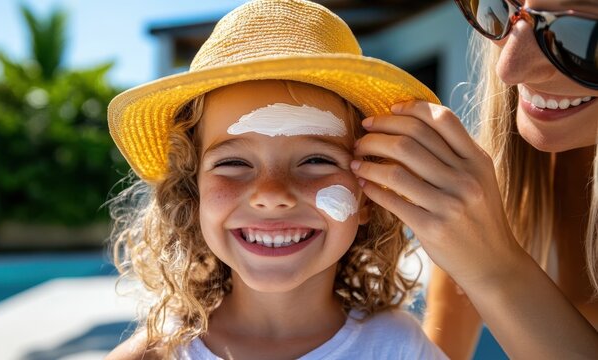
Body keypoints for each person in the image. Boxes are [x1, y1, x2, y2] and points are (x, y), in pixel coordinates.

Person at [104, 1, 446, 358]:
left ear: (367, 196)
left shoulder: (399, 348)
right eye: (234, 162)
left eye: (316, 159)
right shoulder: (155, 355)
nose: (271, 194)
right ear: (193, 193)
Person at [350, 0, 598, 358]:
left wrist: (493, 268)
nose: (508, 69)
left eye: (579, 37)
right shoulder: (488, 195)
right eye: (497, 6)